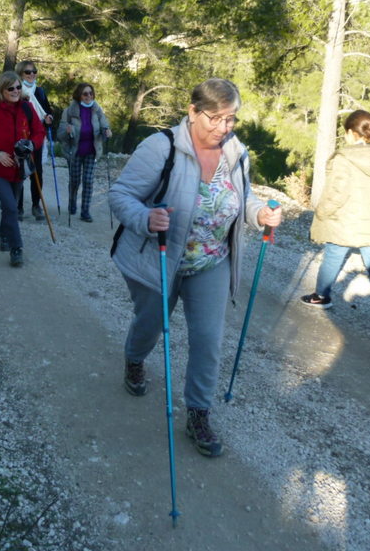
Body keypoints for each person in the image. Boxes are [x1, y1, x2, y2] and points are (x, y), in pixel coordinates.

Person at [109, 78, 282, 457]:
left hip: (211, 261)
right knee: (151, 324)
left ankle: (199, 412)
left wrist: (260, 214)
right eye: (215, 118)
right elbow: (121, 195)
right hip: (161, 257)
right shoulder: (161, 147)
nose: (223, 128)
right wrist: (145, 217)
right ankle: (135, 360)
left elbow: (245, 200)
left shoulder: (237, 152)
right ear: (192, 112)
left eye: (231, 119)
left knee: (208, 341)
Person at [301, 110, 370, 318]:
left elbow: (336, 193)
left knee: (333, 255)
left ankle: (321, 296)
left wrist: (322, 212)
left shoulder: (344, 158)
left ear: (350, 132)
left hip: (344, 221)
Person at [0, 71, 46, 267]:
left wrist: (31, 145)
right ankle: (16, 248)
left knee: (9, 207)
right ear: (2, 90)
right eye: (11, 88)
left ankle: (3, 234)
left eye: (18, 87)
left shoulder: (27, 108)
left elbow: (39, 132)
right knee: (12, 206)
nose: (15, 91)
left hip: (19, 169)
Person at [57, 82, 112, 222]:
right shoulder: (69, 111)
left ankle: (85, 211)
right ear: (79, 95)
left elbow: (105, 126)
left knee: (88, 181)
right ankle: (72, 202)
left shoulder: (97, 110)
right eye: (85, 94)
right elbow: (60, 134)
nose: (89, 96)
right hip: (74, 151)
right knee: (75, 180)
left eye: (91, 93)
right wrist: (67, 131)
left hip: (92, 151)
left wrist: (107, 132)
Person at [16, 60, 54, 220]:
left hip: (37, 135)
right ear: (20, 74)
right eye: (27, 72)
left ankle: (36, 205)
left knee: (37, 171)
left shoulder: (40, 91)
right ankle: (18, 207)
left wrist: (49, 117)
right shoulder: (16, 90)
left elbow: (47, 110)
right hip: (20, 135)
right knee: (20, 172)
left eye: (34, 71)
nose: (32, 74)